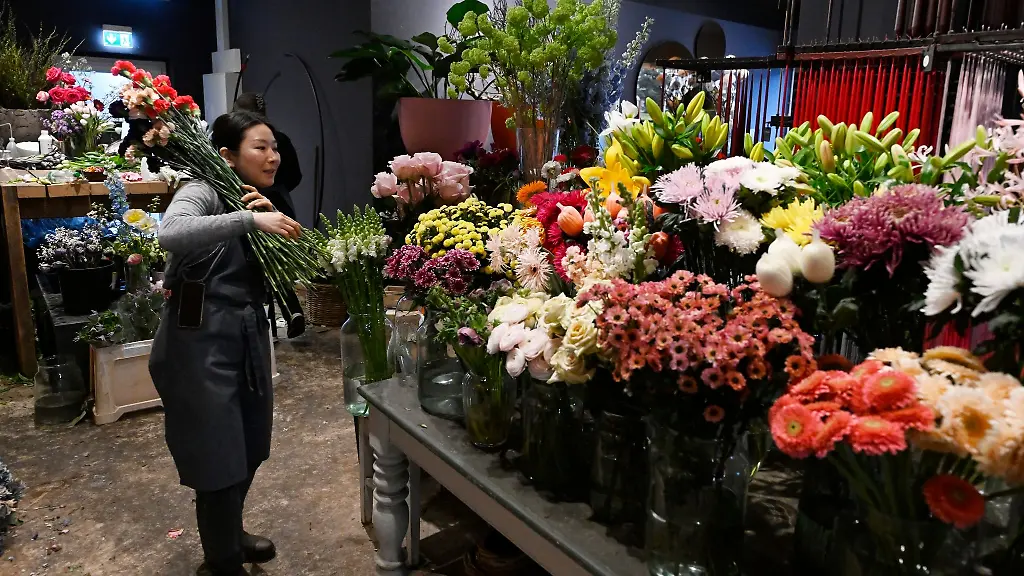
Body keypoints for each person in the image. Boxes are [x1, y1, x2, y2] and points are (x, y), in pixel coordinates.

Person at [149, 111, 302, 576]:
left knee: (251, 444)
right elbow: (170, 233)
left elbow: (289, 261)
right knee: (215, 453)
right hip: (198, 341)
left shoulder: (257, 195)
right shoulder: (203, 190)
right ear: (227, 155)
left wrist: (269, 219)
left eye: (274, 146)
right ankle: (221, 561)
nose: (273, 156)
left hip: (246, 335)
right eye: (260, 147)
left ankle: (229, 533)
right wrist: (248, 220)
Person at [233, 92, 305, 338]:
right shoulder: (279, 139)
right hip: (277, 199)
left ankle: (284, 310)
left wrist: (267, 189)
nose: (271, 157)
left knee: (268, 254)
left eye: (272, 150)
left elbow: (293, 174)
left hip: (257, 201)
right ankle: (290, 308)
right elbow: (295, 175)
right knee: (274, 256)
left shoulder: (248, 142)